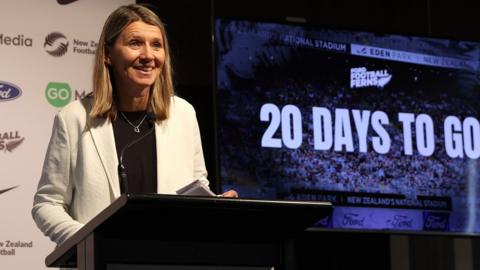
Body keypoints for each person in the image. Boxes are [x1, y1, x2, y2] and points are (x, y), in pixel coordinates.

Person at [32, 4, 237, 245]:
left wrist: (215, 206)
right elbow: (47, 203)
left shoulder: (183, 114)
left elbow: (196, 190)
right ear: (108, 54)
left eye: (156, 45)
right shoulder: (74, 118)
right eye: (135, 43)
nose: (149, 56)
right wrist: (89, 241)